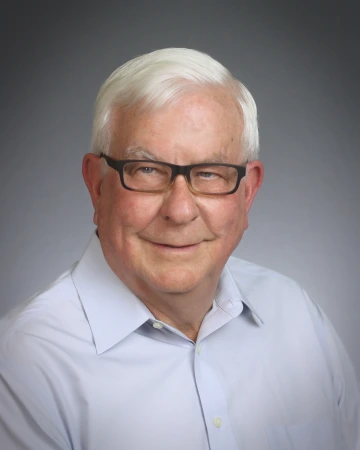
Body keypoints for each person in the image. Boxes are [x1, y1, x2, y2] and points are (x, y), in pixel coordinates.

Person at [0, 48, 358, 450]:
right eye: (147, 170)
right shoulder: (23, 365)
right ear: (97, 185)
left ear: (248, 191)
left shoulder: (298, 318)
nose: (180, 210)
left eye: (209, 173)